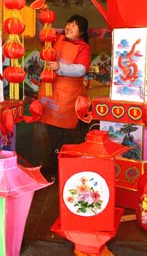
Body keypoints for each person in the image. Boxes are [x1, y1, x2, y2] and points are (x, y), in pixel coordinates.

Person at [38, 14, 91, 174]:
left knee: (64, 135)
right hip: (51, 93)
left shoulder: (83, 47)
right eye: (69, 23)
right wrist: (43, 18)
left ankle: (59, 169)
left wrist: (59, 67)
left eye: (74, 25)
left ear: (80, 32)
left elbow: (81, 69)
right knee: (52, 133)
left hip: (68, 97)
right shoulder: (57, 39)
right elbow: (42, 37)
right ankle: (52, 167)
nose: (69, 27)